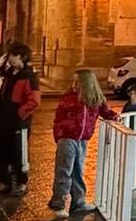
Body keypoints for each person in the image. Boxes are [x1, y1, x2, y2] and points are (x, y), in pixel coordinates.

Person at [49, 68, 117, 213]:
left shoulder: (95, 100)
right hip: (67, 138)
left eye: (78, 82)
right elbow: (59, 116)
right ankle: (58, 203)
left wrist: (115, 117)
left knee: (77, 171)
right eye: (74, 81)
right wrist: (59, 134)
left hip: (83, 140)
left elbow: (105, 112)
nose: (74, 84)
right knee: (64, 170)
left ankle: (78, 202)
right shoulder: (68, 97)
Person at [0, 43, 40, 195]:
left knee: (19, 153)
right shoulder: (9, 74)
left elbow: (34, 100)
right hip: (3, 121)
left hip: (18, 122)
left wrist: (20, 113)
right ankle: (4, 181)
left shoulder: (28, 77)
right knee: (2, 151)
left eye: (13, 55)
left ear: (22, 57)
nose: (10, 58)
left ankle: (20, 182)